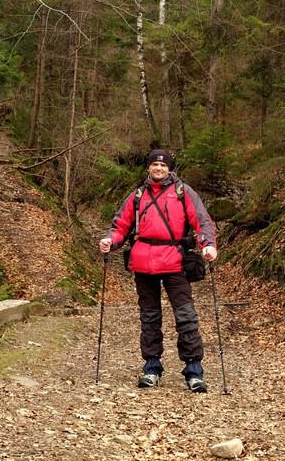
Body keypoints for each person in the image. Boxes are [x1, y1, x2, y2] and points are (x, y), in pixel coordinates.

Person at [99, 148, 217, 393]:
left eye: (163, 166)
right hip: (143, 264)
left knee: (186, 316)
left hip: (175, 262)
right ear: (149, 168)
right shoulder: (137, 195)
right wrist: (110, 240)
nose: (159, 169)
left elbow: (202, 221)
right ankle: (151, 366)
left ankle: (194, 370)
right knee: (149, 317)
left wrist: (208, 245)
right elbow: (120, 225)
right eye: (155, 165)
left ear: (170, 169)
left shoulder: (183, 192)